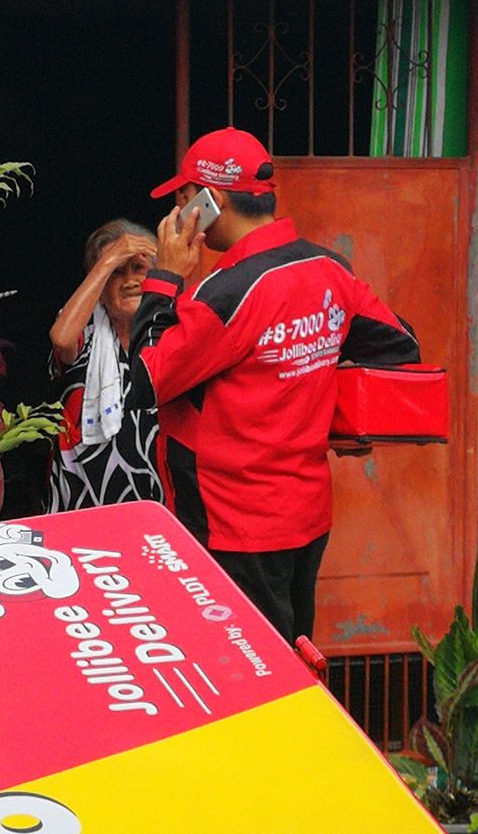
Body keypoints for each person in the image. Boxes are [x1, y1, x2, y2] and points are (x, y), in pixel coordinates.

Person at [127, 127, 420, 644]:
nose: (174, 213)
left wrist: (165, 278)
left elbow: (146, 381)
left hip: (231, 521)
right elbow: (401, 345)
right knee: (291, 656)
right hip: (305, 513)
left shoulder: (226, 291)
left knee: (244, 672)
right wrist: (325, 406)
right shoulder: (327, 267)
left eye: (181, 197)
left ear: (210, 201)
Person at [45, 219, 164, 513]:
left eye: (139, 269)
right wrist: (108, 258)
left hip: (157, 502)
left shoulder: (167, 331)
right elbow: (61, 338)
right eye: (117, 273)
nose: (130, 281)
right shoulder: (83, 330)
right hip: (81, 497)